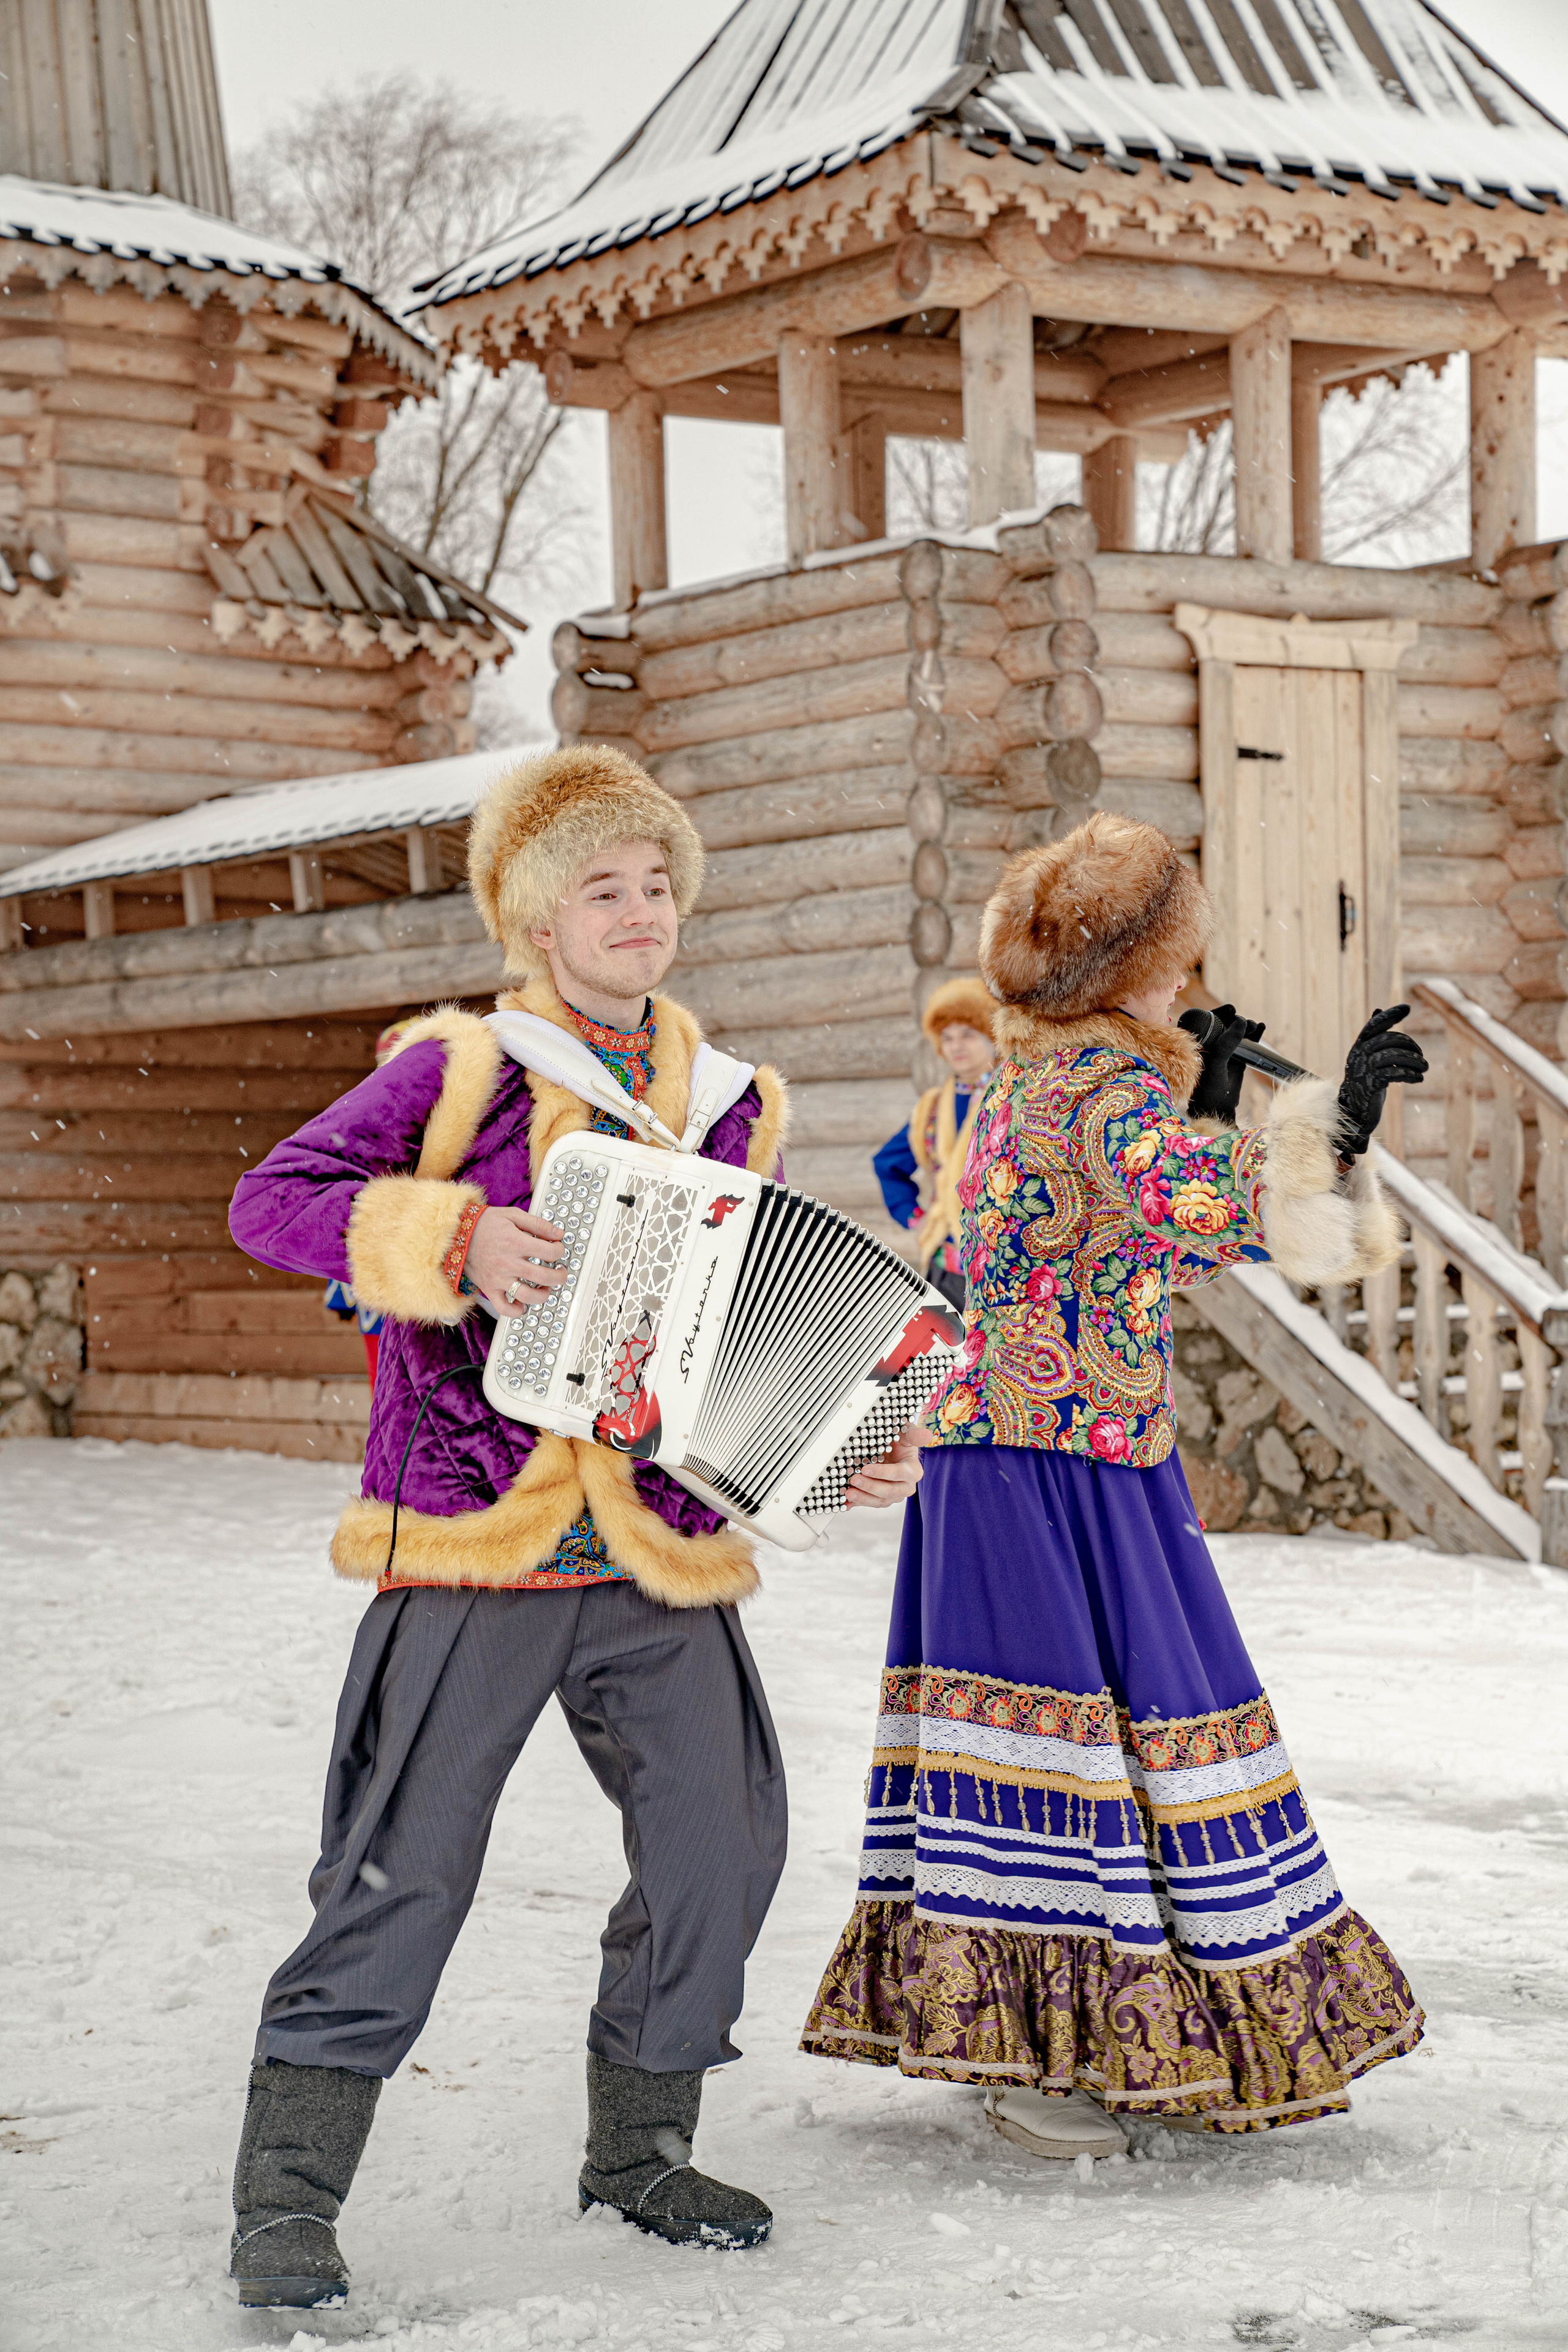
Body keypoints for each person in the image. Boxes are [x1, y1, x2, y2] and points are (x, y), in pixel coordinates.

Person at [222, 747, 922, 2309]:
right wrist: (453, 1236)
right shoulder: (460, 1067)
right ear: (538, 920)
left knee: (719, 1844)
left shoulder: (730, 1100)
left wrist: (837, 1450)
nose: (640, 911)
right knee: (401, 1867)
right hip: (479, 1534)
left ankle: (639, 2151)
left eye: (657, 883)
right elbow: (271, 1199)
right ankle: (285, 2199)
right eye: (603, 888)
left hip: (657, 1548)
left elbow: (747, 1325)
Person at [802, 812, 1428, 2159]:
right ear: (1120, 971)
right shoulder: (1087, 1087)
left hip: (1069, 1450)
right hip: (1037, 1461)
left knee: (1114, 1735)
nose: (1187, 981)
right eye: (1170, 960)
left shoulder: (1053, 1076)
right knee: (1070, 1738)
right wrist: (1328, 1128)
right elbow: (1202, 1201)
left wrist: (1212, 1101)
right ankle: (1035, 2060)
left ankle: (1095, 2029)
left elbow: (1138, 1233)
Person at [872, 978, 999, 1310]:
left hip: (1001, 1264)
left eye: (968, 1035)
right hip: (947, 1264)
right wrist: (914, 1217)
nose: (957, 1046)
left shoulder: (1010, 1096)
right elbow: (887, 1164)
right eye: (948, 1037)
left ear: (992, 1035)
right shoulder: (932, 1107)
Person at [321, 1022, 413, 1384]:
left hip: (418, 1269)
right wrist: (340, 1285)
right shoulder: (366, 1118)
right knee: (382, 1378)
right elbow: (346, 1201)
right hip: (377, 1270)